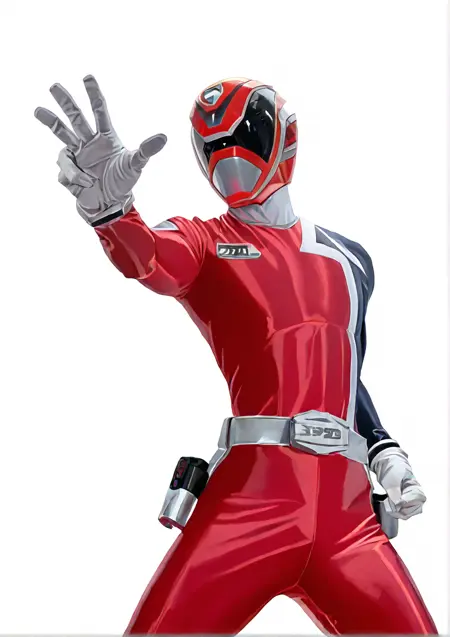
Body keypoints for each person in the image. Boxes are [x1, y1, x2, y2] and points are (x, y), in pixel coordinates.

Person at [35, 75, 437, 635]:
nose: (229, 156)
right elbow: (151, 259)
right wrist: (113, 214)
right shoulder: (205, 241)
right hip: (253, 501)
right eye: (214, 145)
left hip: (347, 519)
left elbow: (346, 375)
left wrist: (384, 449)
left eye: (242, 136)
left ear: (284, 135)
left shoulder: (350, 259)